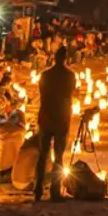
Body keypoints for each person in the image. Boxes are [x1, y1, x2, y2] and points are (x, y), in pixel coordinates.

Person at [31, 46, 77, 203]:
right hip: (61, 118)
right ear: (66, 58)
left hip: (46, 117)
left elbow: (42, 93)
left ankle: (37, 190)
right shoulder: (70, 76)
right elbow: (70, 94)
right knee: (58, 157)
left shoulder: (45, 75)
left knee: (42, 156)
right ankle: (55, 191)